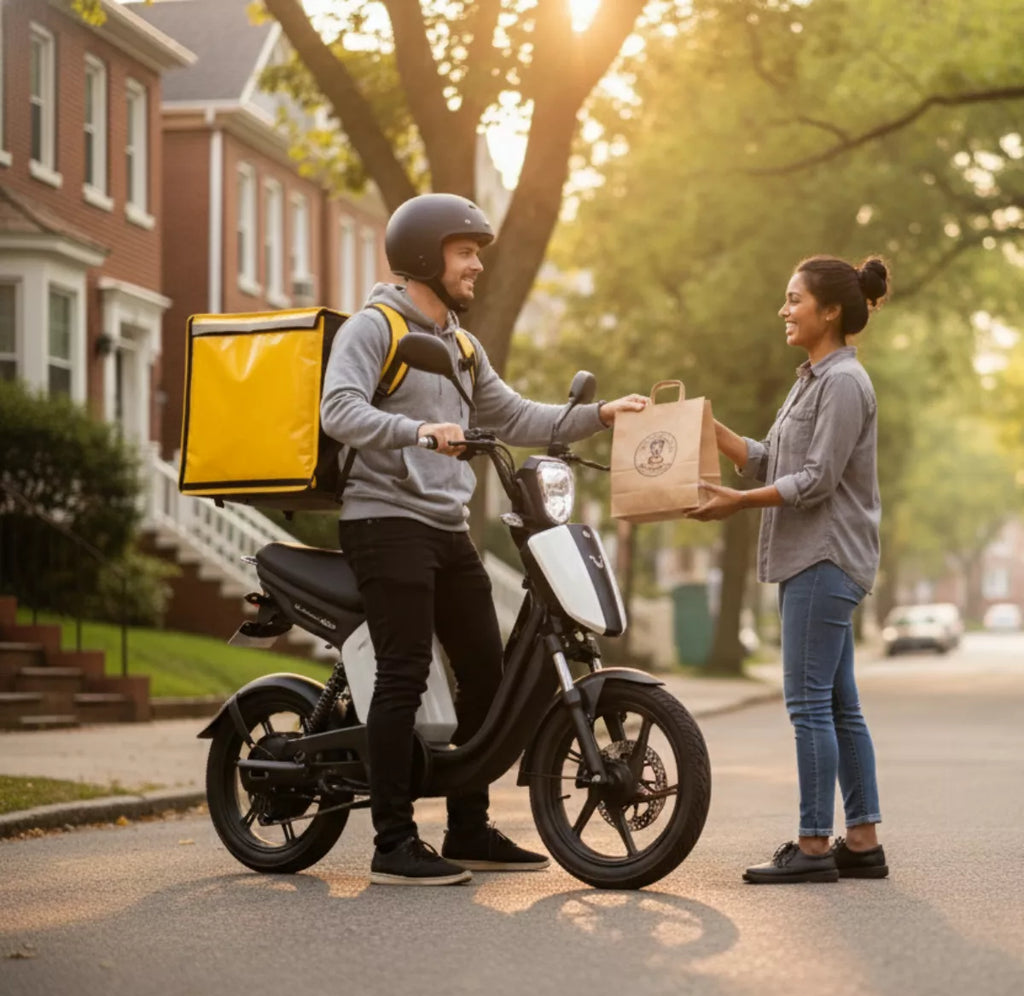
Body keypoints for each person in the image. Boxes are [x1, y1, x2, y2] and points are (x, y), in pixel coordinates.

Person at [320, 192, 649, 886]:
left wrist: (599, 414)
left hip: (443, 526)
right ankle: (391, 842)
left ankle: (467, 826)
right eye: (465, 252)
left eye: (476, 254)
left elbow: (512, 412)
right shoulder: (373, 327)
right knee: (405, 672)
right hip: (384, 521)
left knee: (488, 673)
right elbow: (339, 409)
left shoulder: (462, 346)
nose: (475, 265)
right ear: (423, 256)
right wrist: (416, 430)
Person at [687, 254, 891, 884]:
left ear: (829, 310)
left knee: (807, 704)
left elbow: (817, 479)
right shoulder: (810, 380)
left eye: (794, 298)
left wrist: (738, 504)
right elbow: (772, 460)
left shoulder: (844, 384)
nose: (784, 309)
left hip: (823, 557)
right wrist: (709, 428)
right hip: (816, 558)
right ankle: (860, 841)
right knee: (838, 704)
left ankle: (810, 846)